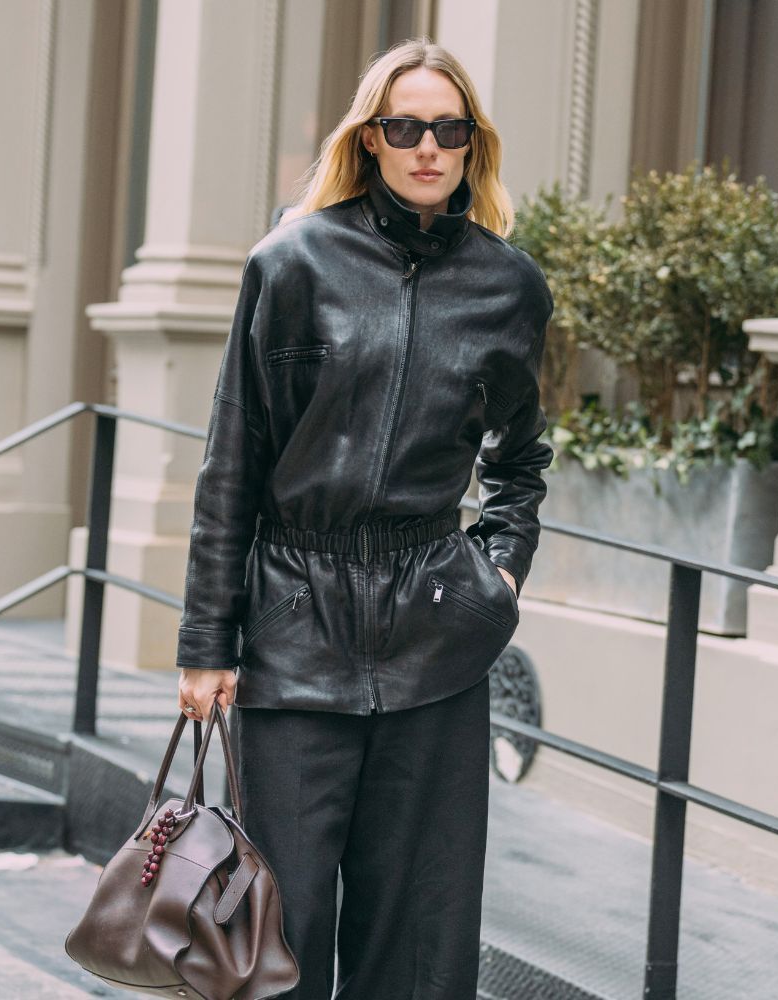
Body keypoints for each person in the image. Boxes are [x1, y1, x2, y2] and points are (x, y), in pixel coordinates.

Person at [175, 36, 554, 1000]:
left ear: (473, 144)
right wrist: (205, 642)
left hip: (437, 632)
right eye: (405, 127)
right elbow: (234, 462)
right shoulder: (292, 262)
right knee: (279, 936)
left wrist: (496, 579)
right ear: (372, 138)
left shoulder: (509, 287)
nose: (428, 147)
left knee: (418, 942)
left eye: (449, 129)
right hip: (296, 627)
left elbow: (521, 462)